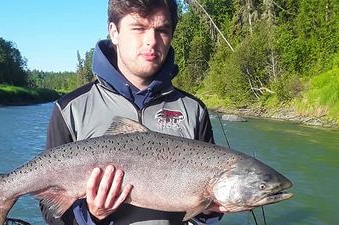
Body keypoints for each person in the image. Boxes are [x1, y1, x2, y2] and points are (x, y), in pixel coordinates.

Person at [41, 0, 224, 224]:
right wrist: (91, 216)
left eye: (162, 30)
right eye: (139, 28)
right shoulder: (70, 109)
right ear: (114, 32)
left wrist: (208, 211)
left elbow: (207, 221)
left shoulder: (194, 110)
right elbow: (52, 214)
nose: (152, 41)